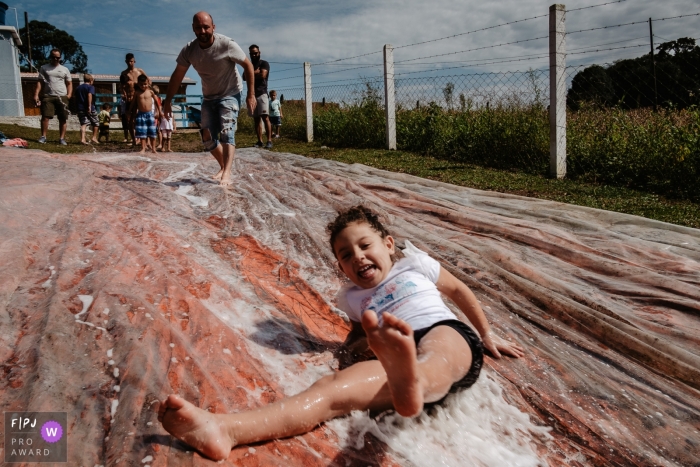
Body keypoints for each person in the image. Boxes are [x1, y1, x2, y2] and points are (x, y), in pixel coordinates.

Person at [157, 205, 524, 461]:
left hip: (443, 331)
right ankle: (224, 429)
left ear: (389, 244)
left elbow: (459, 291)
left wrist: (487, 334)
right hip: (391, 356)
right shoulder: (352, 300)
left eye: (365, 246)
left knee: (437, 358)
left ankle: (413, 382)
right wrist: (356, 352)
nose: (358, 257)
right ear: (341, 267)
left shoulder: (416, 265)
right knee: (330, 389)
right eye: (346, 255)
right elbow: (354, 338)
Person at [163, 12, 256, 187]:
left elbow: (248, 66)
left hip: (230, 92)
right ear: (193, 29)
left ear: (213, 27)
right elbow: (177, 75)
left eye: (206, 27)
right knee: (207, 137)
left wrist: (251, 94)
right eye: (198, 28)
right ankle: (223, 166)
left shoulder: (227, 44)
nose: (203, 31)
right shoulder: (189, 50)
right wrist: (168, 101)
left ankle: (227, 173)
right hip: (209, 96)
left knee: (227, 130)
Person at [34, 48, 72, 145]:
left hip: (62, 96)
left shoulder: (65, 69)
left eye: (58, 57)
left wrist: (69, 95)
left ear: (60, 58)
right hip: (48, 96)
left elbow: (69, 83)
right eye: (54, 57)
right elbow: (40, 82)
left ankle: (62, 138)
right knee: (45, 117)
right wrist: (36, 94)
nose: (56, 59)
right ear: (51, 57)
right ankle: (43, 137)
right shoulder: (44, 68)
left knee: (62, 118)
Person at [244, 45, 272, 148]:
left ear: (259, 52)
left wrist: (251, 73)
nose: (254, 55)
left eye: (256, 53)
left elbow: (263, 75)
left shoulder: (264, 63)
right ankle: (260, 141)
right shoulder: (249, 65)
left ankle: (269, 140)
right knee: (256, 119)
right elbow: (244, 77)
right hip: (252, 95)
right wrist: (255, 72)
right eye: (252, 53)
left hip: (262, 94)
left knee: (265, 118)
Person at [130, 75, 161, 155]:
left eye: (145, 84)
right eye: (141, 84)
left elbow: (157, 103)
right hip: (140, 115)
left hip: (150, 114)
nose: (143, 86)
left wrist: (159, 112)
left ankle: (153, 149)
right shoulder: (137, 93)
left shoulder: (150, 92)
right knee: (142, 132)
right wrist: (130, 112)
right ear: (138, 84)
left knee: (152, 132)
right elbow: (133, 103)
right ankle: (143, 148)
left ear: (148, 83)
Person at [75, 74, 99, 145]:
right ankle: (94, 137)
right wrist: (89, 106)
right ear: (90, 80)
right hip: (89, 107)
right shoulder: (90, 87)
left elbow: (76, 98)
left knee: (84, 123)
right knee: (96, 122)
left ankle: (82, 139)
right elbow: (89, 95)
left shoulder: (78, 88)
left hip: (80, 108)